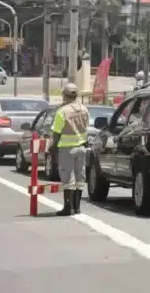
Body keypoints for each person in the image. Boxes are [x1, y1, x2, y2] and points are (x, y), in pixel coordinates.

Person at [49, 83, 90, 216]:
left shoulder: (62, 112)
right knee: (80, 178)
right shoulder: (84, 109)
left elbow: (56, 132)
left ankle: (68, 208)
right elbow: (86, 128)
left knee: (68, 178)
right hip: (82, 147)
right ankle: (77, 207)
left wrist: (53, 150)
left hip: (67, 149)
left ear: (64, 95)